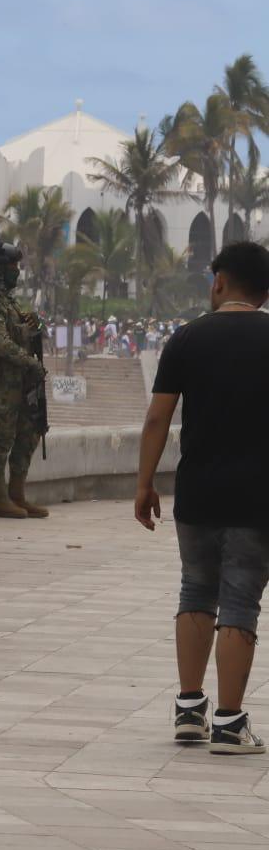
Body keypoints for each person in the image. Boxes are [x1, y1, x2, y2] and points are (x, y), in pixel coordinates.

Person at [136, 241, 269, 754]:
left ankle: (189, 712)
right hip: (259, 495)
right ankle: (231, 725)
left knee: (195, 590)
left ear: (219, 282)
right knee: (241, 601)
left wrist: (144, 483)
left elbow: (156, 418)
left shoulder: (187, 338)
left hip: (198, 490)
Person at [0, 240, 49, 520]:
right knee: (1, 439)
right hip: (3, 381)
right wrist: (30, 363)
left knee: (28, 434)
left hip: (22, 380)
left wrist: (35, 325)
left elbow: (27, 334)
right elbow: (0, 343)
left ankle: (17, 493)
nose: (17, 271)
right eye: (13, 266)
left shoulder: (9, 304)